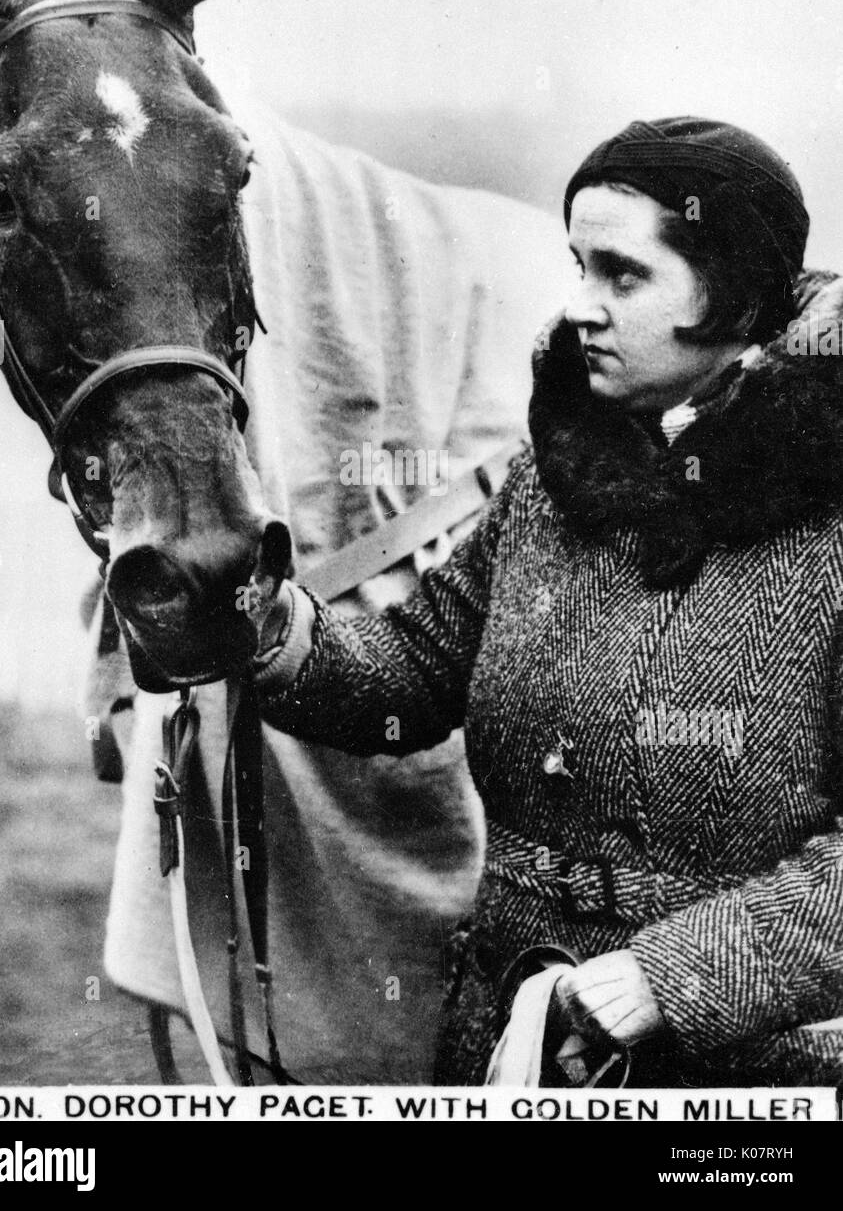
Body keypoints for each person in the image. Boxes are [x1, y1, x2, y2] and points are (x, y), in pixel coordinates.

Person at [250, 116, 843, 1086]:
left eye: (621, 274)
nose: (579, 308)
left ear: (731, 287)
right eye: (576, 267)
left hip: (737, 1084)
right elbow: (412, 671)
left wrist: (673, 975)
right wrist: (279, 640)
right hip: (505, 1044)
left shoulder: (826, 524)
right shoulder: (549, 484)